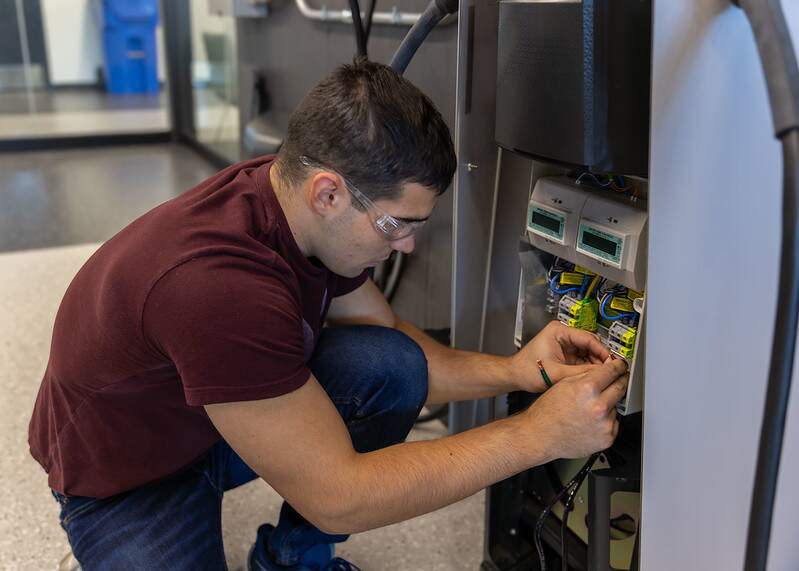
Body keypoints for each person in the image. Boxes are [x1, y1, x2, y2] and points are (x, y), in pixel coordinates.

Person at [28, 59, 628, 571]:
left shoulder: (292, 208)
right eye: (397, 225)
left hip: (211, 417)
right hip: (126, 478)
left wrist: (518, 372)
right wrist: (536, 435)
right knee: (328, 480)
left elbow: (386, 337)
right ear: (328, 192)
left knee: (390, 365)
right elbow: (339, 497)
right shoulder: (218, 290)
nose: (407, 246)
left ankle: (291, 561)